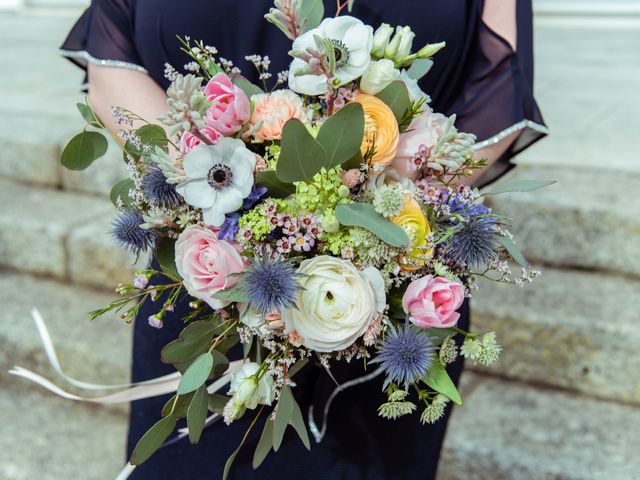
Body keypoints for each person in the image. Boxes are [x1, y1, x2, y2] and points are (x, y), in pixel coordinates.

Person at [60, 1, 547, 478]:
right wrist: (222, 189)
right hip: (207, 288)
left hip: (392, 307)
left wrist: (366, 216)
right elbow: (113, 69)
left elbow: (497, 91)